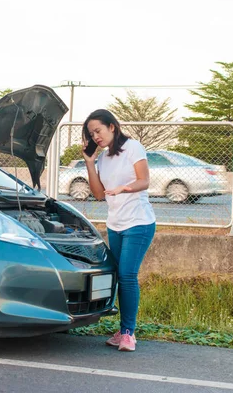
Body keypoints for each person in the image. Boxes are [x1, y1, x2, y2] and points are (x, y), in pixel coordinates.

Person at [81, 109, 156, 352]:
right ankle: (123, 330)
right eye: (91, 134)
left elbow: (144, 181)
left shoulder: (133, 147)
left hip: (139, 223)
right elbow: (98, 193)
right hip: (115, 224)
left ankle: (128, 333)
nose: (95, 137)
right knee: (118, 276)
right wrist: (90, 163)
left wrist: (124, 188)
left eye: (98, 131)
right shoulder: (102, 158)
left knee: (127, 275)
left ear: (112, 126)